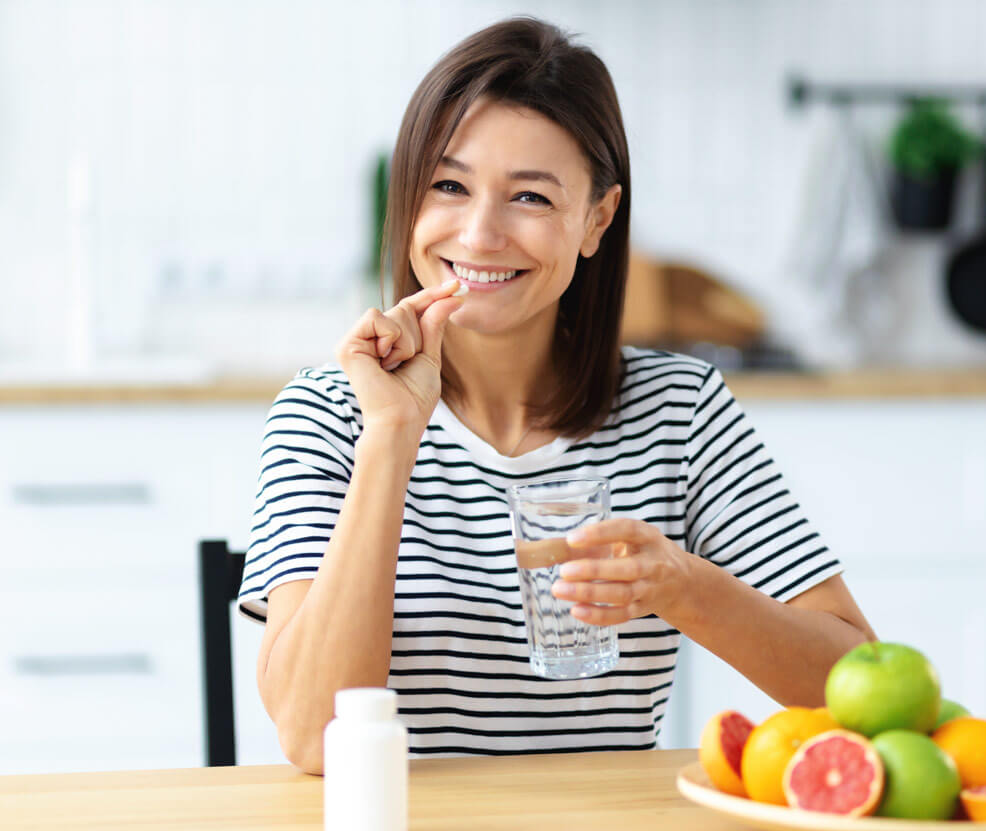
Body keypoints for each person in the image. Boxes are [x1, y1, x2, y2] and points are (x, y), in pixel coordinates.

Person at [239, 16, 875, 775]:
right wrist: (391, 435)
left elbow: (856, 692)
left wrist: (686, 587)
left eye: (531, 199)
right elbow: (314, 739)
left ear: (597, 220)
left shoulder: (680, 411)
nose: (478, 235)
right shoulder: (329, 414)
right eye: (448, 185)